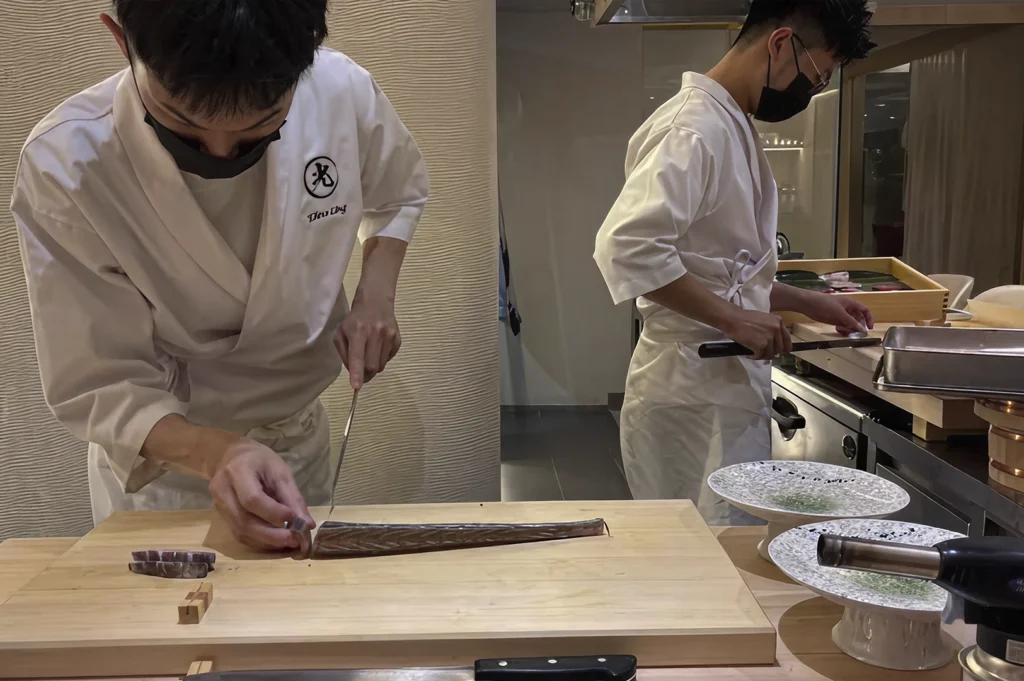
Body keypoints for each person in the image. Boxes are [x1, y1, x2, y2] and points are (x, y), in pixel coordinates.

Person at [10, 0, 428, 549]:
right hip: (171, 470)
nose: (221, 153)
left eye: (259, 129)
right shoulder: (66, 167)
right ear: (121, 40)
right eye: (183, 126)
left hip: (298, 439)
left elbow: (396, 194)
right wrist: (218, 453)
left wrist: (377, 298)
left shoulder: (339, 93)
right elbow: (104, 383)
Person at [593, 0, 876, 523]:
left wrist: (808, 302)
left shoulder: (729, 123)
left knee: (720, 549)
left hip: (713, 386)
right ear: (780, 44)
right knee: (695, 561)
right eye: (818, 76)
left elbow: (727, 276)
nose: (812, 93)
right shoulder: (694, 129)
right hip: (688, 394)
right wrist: (731, 319)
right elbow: (627, 246)